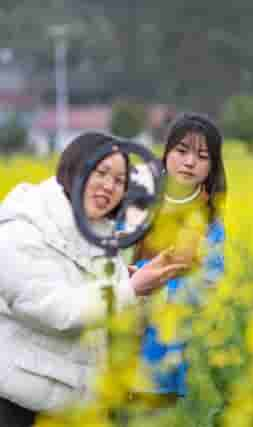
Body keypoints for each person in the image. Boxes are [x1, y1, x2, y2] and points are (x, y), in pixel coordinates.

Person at [0, 132, 186, 426]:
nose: (109, 186)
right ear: (75, 169)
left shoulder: (97, 231)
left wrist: (137, 282)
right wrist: (131, 288)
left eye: (120, 180)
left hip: (69, 404)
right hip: (16, 404)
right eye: (101, 173)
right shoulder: (22, 228)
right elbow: (58, 310)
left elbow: (100, 299)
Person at [131, 113, 226, 406]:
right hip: (130, 350)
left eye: (202, 156)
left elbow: (213, 282)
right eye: (181, 151)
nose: (189, 162)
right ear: (166, 154)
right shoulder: (136, 205)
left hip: (180, 353)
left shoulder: (210, 222)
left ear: (211, 167)